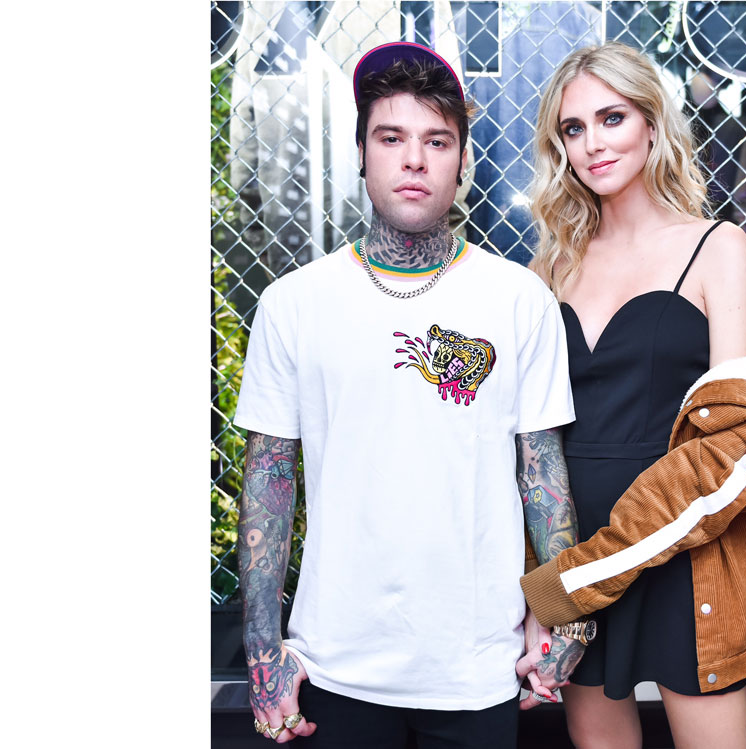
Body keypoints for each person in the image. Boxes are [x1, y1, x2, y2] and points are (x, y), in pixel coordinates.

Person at [233, 41, 585, 747]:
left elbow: (542, 473)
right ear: (362, 155)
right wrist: (262, 651)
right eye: (391, 138)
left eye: (437, 140)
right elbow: (269, 479)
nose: (415, 159)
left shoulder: (519, 299)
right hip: (335, 665)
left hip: (478, 666)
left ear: (462, 160)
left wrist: (567, 621)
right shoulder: (294, 303)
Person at [518, 42, 746, 749]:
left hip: (685, 551)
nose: (592, 143)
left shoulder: (715, 246)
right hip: (573, 542)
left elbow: (738, 441)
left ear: (652, 123)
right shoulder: (550, 265)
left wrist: (579, 577)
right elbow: (531, 440)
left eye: (611, 118)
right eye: (573, 128)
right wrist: (545, 575)